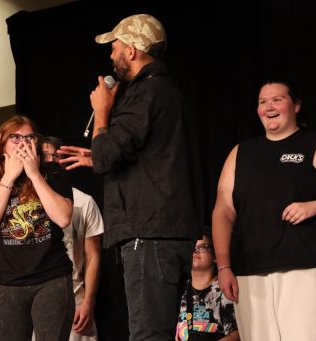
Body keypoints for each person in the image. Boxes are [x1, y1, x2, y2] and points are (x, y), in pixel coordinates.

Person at [58, 14, 201, 341]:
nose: (111, 55)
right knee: (160, 331)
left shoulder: (144, 94)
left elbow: (108, 156)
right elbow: (150, 157)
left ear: (133, 50)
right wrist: (97, 153)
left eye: (116, 46)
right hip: (168, 233)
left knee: (148, 334)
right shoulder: (168, 93)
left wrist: (103, 114)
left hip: (149, 235)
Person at [212, 80, 316, 340]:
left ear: (296, 105)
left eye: (277, 99)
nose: (269, 107)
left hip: (305, 271)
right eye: (262, 101)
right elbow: (223, 211)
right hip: (249, 274)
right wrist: (224, 267)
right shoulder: (240, 152)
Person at [0, 115, 75, 341]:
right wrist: (10, 176)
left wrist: (33, 173)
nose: (23, 143)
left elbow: (63, 217)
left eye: (29, 138)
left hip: (51, 278)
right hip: (8, 284)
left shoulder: (52, 172)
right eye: (16, 138)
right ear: (2, 144)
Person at [40, 136, 104, 341]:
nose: (50, 161)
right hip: (38, 292)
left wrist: (88, 302)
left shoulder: (84, 202)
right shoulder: (28, 202)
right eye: (45, 155)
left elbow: (93, 256)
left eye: (55, 156)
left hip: (74, 295)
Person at [175, 234, 239, 341]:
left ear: (215, 256)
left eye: (203, 247)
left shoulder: (224, 288)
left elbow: (237, 334)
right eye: (192, 248)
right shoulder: (179, 289)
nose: (196, 251)